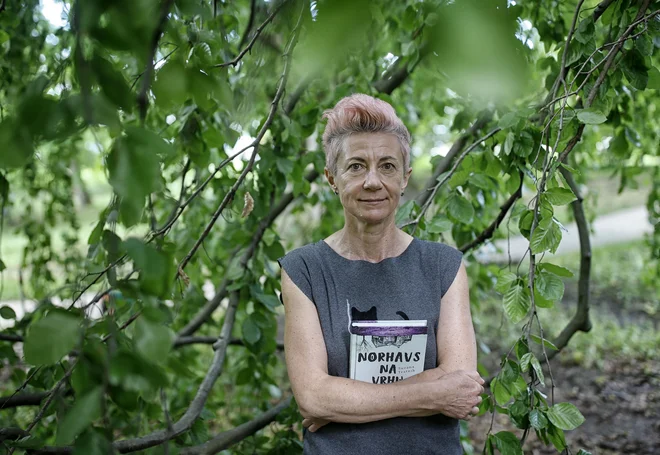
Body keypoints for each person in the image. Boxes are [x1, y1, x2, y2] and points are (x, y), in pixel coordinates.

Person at [278, 93, 484, 454]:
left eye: (387, 166)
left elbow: (461, 387)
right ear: (332, 178)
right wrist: (433, 392)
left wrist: (342, 402)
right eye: (356, 166)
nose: (373, 181)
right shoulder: (303, 270)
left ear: (405, 178)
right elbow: (313, 398)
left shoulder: (444, 266)